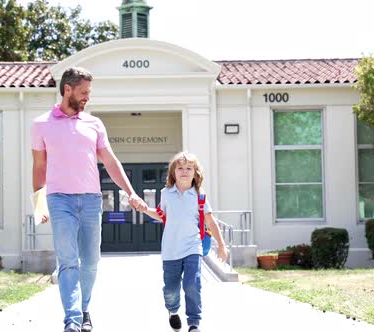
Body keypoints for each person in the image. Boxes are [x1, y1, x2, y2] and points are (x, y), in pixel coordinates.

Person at [31, 67, 147, 332]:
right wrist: (39, 205)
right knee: (68, 260)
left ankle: (84, 310)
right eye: (83, 92)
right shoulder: (41, 124)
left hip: (92, 200)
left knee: (91, 260)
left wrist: (131, 192)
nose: (87, 98)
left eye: (89, 93)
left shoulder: (94, 124)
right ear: (67, 89)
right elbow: (39, 166)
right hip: (59, 200)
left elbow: (110, 160)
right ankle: (72, 320)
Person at [139, 151, 228, 332]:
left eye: (189, 168)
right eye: (180, 168)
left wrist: (222, 245)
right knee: (170, 290)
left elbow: (210, 221)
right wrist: (145, 209)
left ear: (196, 173)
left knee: (191, 284)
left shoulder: (200, 196)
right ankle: (173, 312)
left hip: (192, 247)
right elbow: (161, 214)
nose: (184, 171)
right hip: (170, 249)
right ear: (173, 172)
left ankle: (194, 322)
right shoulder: (166, 193)